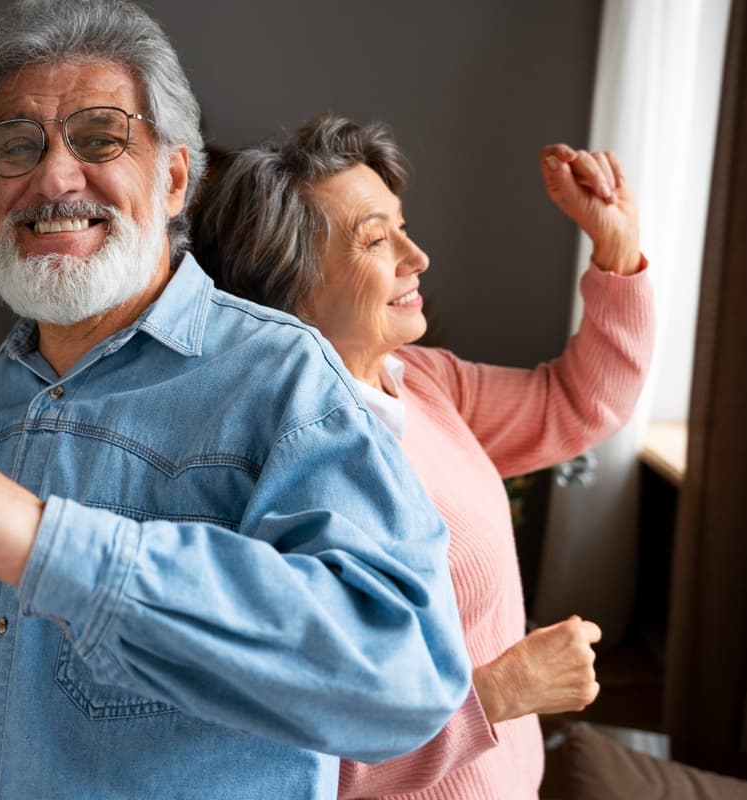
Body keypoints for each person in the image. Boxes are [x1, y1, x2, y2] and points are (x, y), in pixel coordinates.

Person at [0, 4, 473, 799]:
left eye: (100, 136)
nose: (52, 177)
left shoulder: (282, 377)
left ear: (174, 177)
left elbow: (402, 674)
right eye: (17, 146)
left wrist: (49, 544)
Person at [193, 115, 655, 799]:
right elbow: (290, 759)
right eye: (376, 239)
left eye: (402, 225)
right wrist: (497, 694)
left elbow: (578, 403)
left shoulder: (417, 380)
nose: (417, 256)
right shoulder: (277, 470)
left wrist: (616, 246)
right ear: (289, 284)